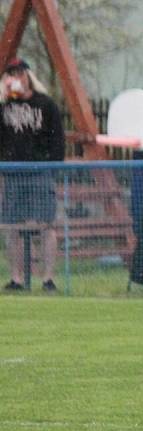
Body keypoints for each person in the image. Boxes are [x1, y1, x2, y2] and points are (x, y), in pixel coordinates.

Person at [0, 58, 65, 291]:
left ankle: (48, 278)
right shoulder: (4, 106)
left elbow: (57, 139)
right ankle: (16, 278)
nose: (16, 78)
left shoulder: (45, 105)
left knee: (46, 225)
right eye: (11, 74)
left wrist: (53, 167)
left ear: (28, 75)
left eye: (19, 73)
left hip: (41, 171)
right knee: (13, 227)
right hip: (12, 172)